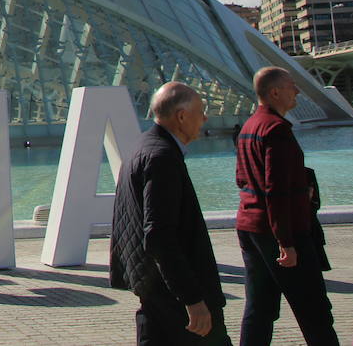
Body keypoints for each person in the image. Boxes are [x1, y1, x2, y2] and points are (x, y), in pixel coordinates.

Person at [111, 81, 231, 344]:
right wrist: (192, 298)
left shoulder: (140, 147)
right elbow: (159, 235)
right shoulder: (162, 157)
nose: (205, 118)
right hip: (175, 295)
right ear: (181, 116)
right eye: (201, 111)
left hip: (151, 286)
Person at [235, 66, 337, 345]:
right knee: (314, 310)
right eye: (292, 85)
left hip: (250, 227)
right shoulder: (276, 130)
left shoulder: (249, 127)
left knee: (259, 307)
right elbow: (276, 190)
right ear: (275, 92)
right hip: (282, 232)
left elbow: (241, 179)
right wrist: (286, 241)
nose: (298, 90)